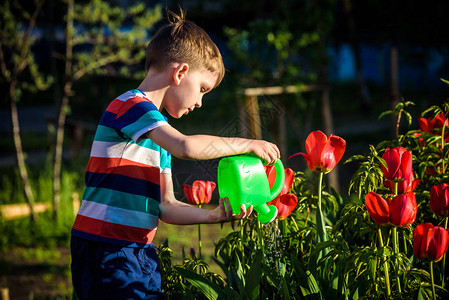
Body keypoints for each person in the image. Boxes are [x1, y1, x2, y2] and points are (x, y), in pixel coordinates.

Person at [70, 10, 280, 300]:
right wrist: (246, 143)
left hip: (137, 251)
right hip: (106, 248)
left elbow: (166, 206)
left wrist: (213, 216)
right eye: (202, 89)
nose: (200, 102)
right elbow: (187, 147)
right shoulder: (130, 106)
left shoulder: (156, 137)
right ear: (180, 73)